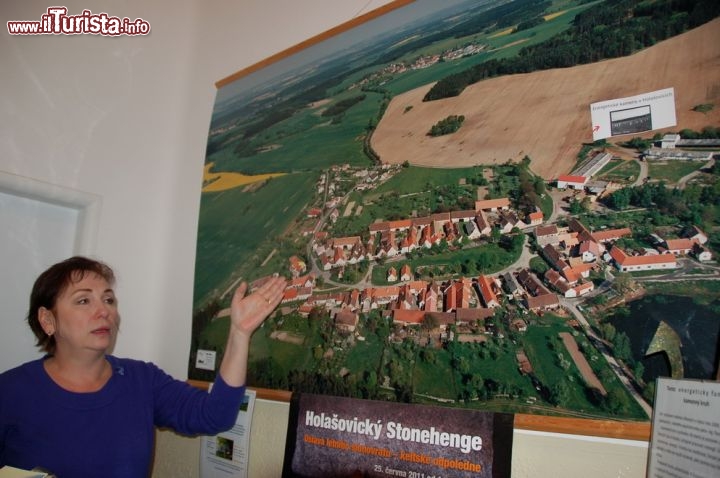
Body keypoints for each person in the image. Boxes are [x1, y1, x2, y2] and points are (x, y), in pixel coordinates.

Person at [0, 256, 286, 477]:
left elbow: (215, 415)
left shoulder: (141, 380)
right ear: (48, 321)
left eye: (109, 299)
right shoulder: (11, 392)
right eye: (84, 300)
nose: (104, 311)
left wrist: (239, 333)